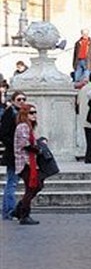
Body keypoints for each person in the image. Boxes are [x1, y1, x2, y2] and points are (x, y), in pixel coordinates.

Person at [10, 103, 43, 225]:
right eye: (31, 113)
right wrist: (38, 149)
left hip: (29, 162)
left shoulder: (28, 126)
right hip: (25, 162)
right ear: (25, 114)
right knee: (32, 187)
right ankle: (24, 214)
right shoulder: (23, 126)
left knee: (35, 186)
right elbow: (25, 144)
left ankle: (18, 210)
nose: (34, 115)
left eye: (35, 112)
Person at [2, 91, 26, 220]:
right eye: (19, 99)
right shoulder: (10, 113)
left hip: (18, 154)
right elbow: (4, 134)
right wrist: (15, 145)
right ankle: (8, 211)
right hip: (13, 154)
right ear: (13, 100)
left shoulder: (19, 114)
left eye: (23, 99)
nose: (22, 101)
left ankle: (9, 210)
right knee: (12, 183)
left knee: (13, 182)